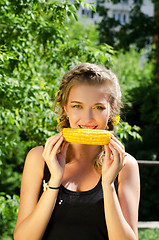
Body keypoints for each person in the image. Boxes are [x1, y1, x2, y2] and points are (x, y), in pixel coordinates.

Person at [14, 63, 140, 240]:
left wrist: (108, 185)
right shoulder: (38, 158)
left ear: (111, 111)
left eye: (98, 107)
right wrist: (54, 181)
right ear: (65, 109)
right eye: (77, 106)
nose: (87, 119)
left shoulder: (125, 165)